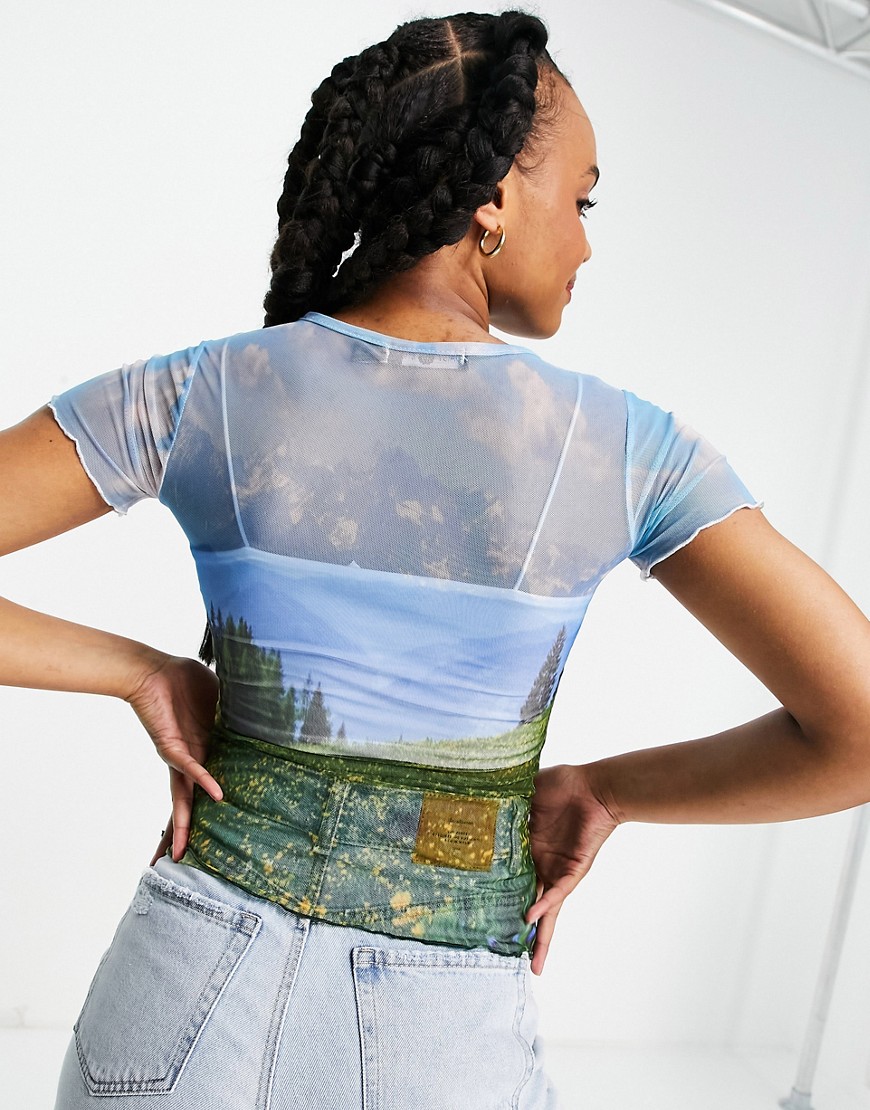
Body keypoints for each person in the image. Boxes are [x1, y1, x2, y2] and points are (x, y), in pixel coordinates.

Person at [2, 8, 869, 1109]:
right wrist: (604, 792)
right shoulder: (627, 449)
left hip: (177, 996)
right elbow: (859, 727)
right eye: (583, 201)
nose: (588, 244)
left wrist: (140, 670)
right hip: (439, 1035)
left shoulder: (201, 392)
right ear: (493, 197)